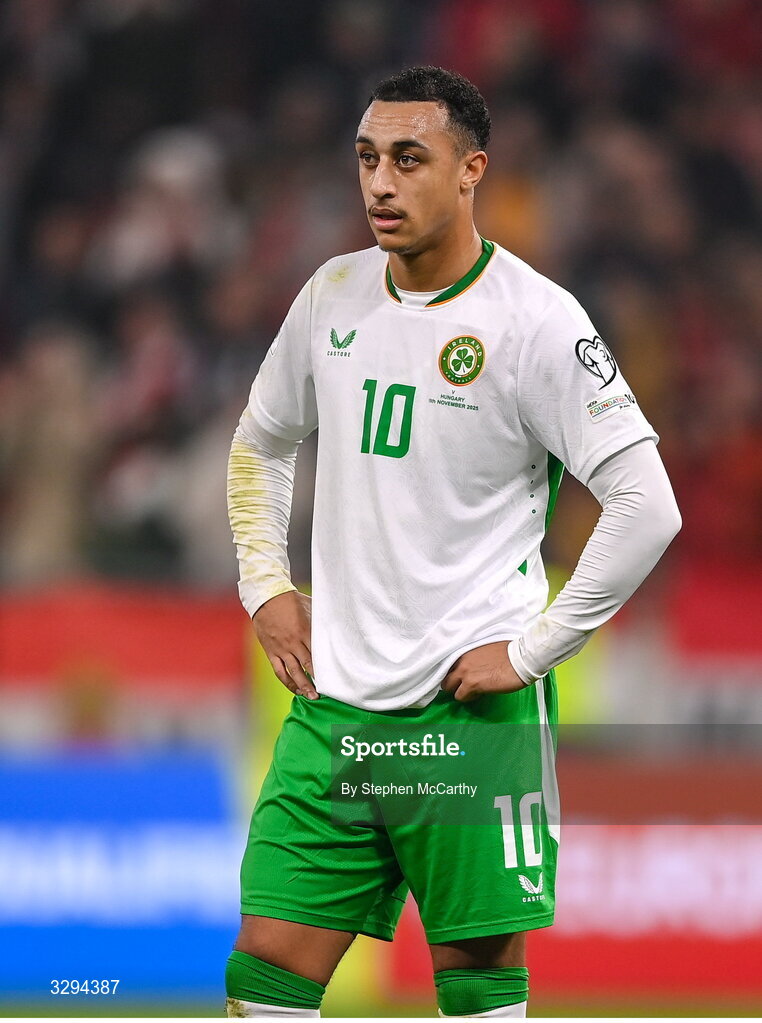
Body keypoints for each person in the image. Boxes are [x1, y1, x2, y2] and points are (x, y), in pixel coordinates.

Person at [225, 66, 681, 1019]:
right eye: (366, 159)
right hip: (333, 713)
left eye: (407, 159)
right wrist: (266, 584)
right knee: (264, 966)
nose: (380, 184)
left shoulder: (537, 322)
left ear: (471, 170)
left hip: (465, 723)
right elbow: (261, 442)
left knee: (474, 984)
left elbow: (647, 502)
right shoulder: (331, 296)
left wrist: (532, 650)